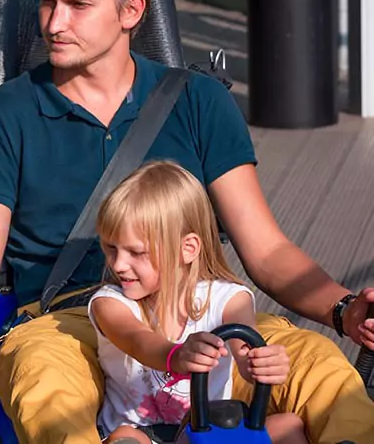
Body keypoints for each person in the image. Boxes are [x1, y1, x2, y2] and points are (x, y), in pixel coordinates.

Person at [0, 0, 374, 443]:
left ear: (131, 12)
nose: (54, 23)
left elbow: (266, 248)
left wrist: (343, 309)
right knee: (46, 388)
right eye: (46, 2)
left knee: (325, 371)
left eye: (78, 5)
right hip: (68, 322)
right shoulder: (2, 114)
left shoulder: (199, 102)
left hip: (192, 310)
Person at [88, 160, 306, 444]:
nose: (118, 264)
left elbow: (244, 351)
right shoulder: (110, 303)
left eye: (136, 252)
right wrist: (176, 356)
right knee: (125, 438)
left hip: (206, 434)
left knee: (289, 425)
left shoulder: (228, 299)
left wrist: (262, 365)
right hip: (143, 434)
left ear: (187, 249)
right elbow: (138, 340)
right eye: (111, 248)